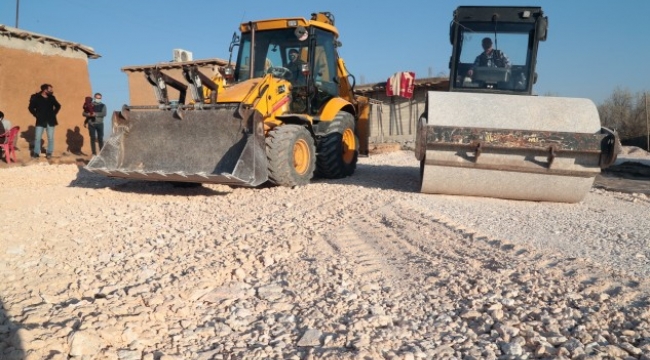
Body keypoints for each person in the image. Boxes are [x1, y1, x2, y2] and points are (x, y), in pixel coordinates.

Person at [28, 83, 61, 159]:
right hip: (40, 120)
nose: (51, 90)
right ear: (45, 90)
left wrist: (54, 114)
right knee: (37, 138)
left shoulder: (52, 98)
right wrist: (36, 114)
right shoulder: (36, 97)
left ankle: (49, 153)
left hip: (50, 120)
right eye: (50, 89)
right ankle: (36, 153)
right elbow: (30, 107)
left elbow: (58, 106)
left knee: (50, 138)